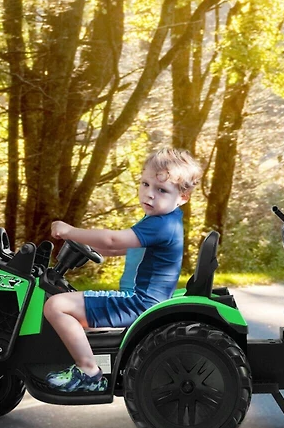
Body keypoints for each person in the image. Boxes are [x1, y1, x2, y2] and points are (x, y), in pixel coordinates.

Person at [43, 147, 204, 393]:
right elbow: (120, 249)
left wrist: (68, 231)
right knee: (70, 307)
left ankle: (89, 372)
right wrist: (90, 245)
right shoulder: (160, 220)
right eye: (145, 184)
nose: (149, 195)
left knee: (56, 306)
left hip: (138, 303)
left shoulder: (161, 224)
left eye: (161, 190)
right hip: (142, 299)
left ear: (183, 197)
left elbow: (113, 241)